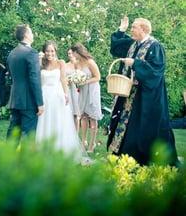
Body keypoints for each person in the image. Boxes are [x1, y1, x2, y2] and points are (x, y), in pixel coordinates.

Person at [107, 16, 179, 166]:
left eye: (134, 27)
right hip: (128, 94)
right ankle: (124, 156)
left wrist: (135, 63)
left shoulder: (155, 47)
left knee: (142, 128)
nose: (131, 30)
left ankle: (142, 159)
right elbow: (116, 48)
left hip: (145, 98)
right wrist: (121, 29)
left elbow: (156, 71)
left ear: (144, 29)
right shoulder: (133, 44)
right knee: (125, 125)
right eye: (132, 27)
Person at [36, 41, 83, 159]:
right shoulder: (41, 63)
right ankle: (43, 150)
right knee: (44, 120)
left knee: (58, 121)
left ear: (55, 51)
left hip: (57, 95)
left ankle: (60, 149)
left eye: (52, 51)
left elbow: (63, 79)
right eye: (47, 50)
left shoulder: (61, 63)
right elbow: (37, 80)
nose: (49, 53)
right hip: (44, 95)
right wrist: (38, 61)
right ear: (44, 51)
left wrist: (66, 94)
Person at [6, 24, 44, 140]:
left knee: (13, 134)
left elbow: (13, 76)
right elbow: (34, 79)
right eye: (31, 32)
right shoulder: (31, 53)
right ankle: (25, 158)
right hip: (28, 101)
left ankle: (7, 157)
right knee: (29, 136)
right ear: (27, 34)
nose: (33, 34)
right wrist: (39, 103)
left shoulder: (12, 53)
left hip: (15, 99)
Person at [71, 43, 103, 153]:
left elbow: (98, 77)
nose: (72, 55)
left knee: (92, 117)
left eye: (73, 52)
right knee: (83, 116)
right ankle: (83, 141)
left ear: (78, 52)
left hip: (92, 90)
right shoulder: (76, 63)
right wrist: (77, 82)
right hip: (83, 91)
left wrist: (85, 81)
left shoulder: (90, 62)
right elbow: (76, 77)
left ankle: (92, 144)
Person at [65, 49, 80, 131]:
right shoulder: (66, 65)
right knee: (69, 112)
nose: (70, 55)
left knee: (76, 114)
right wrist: (67, 80)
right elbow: (63, 77)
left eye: (71, 53)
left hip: (76, 89)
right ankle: (68, 133)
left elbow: (82, 77)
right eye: (68, 53)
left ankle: (76, 134)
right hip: (68, 89)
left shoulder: (79, 64)